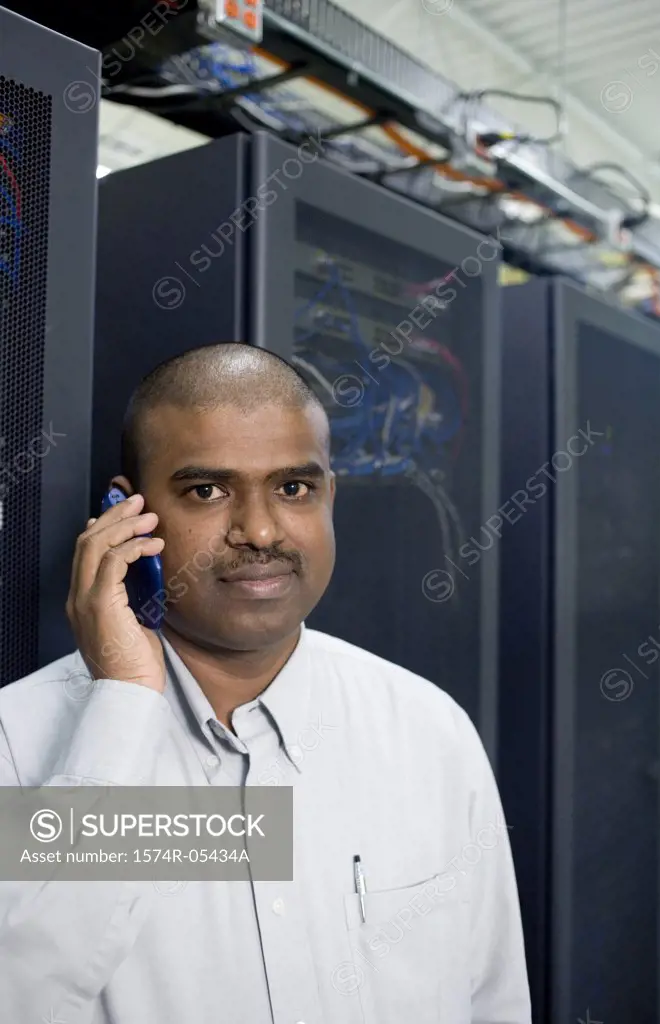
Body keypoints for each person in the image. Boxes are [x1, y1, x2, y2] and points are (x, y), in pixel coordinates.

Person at [0, 342, 531, 1023]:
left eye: (293, 488)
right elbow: (21, 993)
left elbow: (494, 1001)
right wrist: (125, 700)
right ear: (124, 513)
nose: (258, 529)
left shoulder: (428, 732)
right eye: (207, 491)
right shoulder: (21, 740)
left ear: (329, 497)